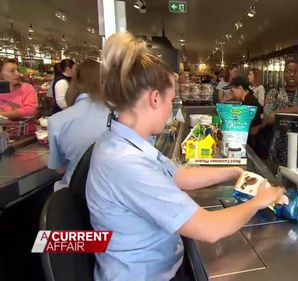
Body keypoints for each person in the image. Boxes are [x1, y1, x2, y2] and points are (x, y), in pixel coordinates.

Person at [86, 32, 284, 281]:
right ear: (155, 98)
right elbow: (210, 228)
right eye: (171, 100)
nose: (172, 107)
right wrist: (259, 200)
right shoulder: (127, 163)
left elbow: (179, 175)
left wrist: (234, 171)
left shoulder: (122, 142)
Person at [47, 59, 109, 191]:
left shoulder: (56, 121)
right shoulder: (120, 116)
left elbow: (59, 168)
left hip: (74, 196)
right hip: (113, 196)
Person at [263, 60, 298, 173]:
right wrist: (297, 110)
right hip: (276, 148)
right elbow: (268, 117)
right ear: (284, 73)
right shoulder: (274, 93)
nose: (291, 74)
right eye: (288, 71)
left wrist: (279, 113)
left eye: (296, 72)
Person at [227, 76, 263, 146]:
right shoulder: (248, 98)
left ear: (240, 88)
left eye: (233, 91)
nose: (232, 94)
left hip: (252, 142)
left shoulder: (249, 102)